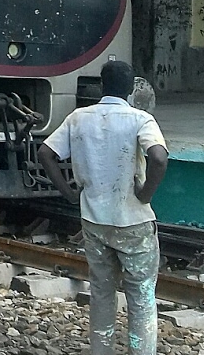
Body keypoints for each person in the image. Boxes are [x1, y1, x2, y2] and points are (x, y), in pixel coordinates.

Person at [39, 59, 169, 355]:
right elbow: (159, 158)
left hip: (94, 222)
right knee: (141, 297)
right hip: (133, 223)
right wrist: (146, 194)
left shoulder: (78, 118)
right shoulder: (140, 119)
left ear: (101, 86)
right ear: (131, 89)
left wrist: (70, 193)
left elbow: (46, 152)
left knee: (101, 293)